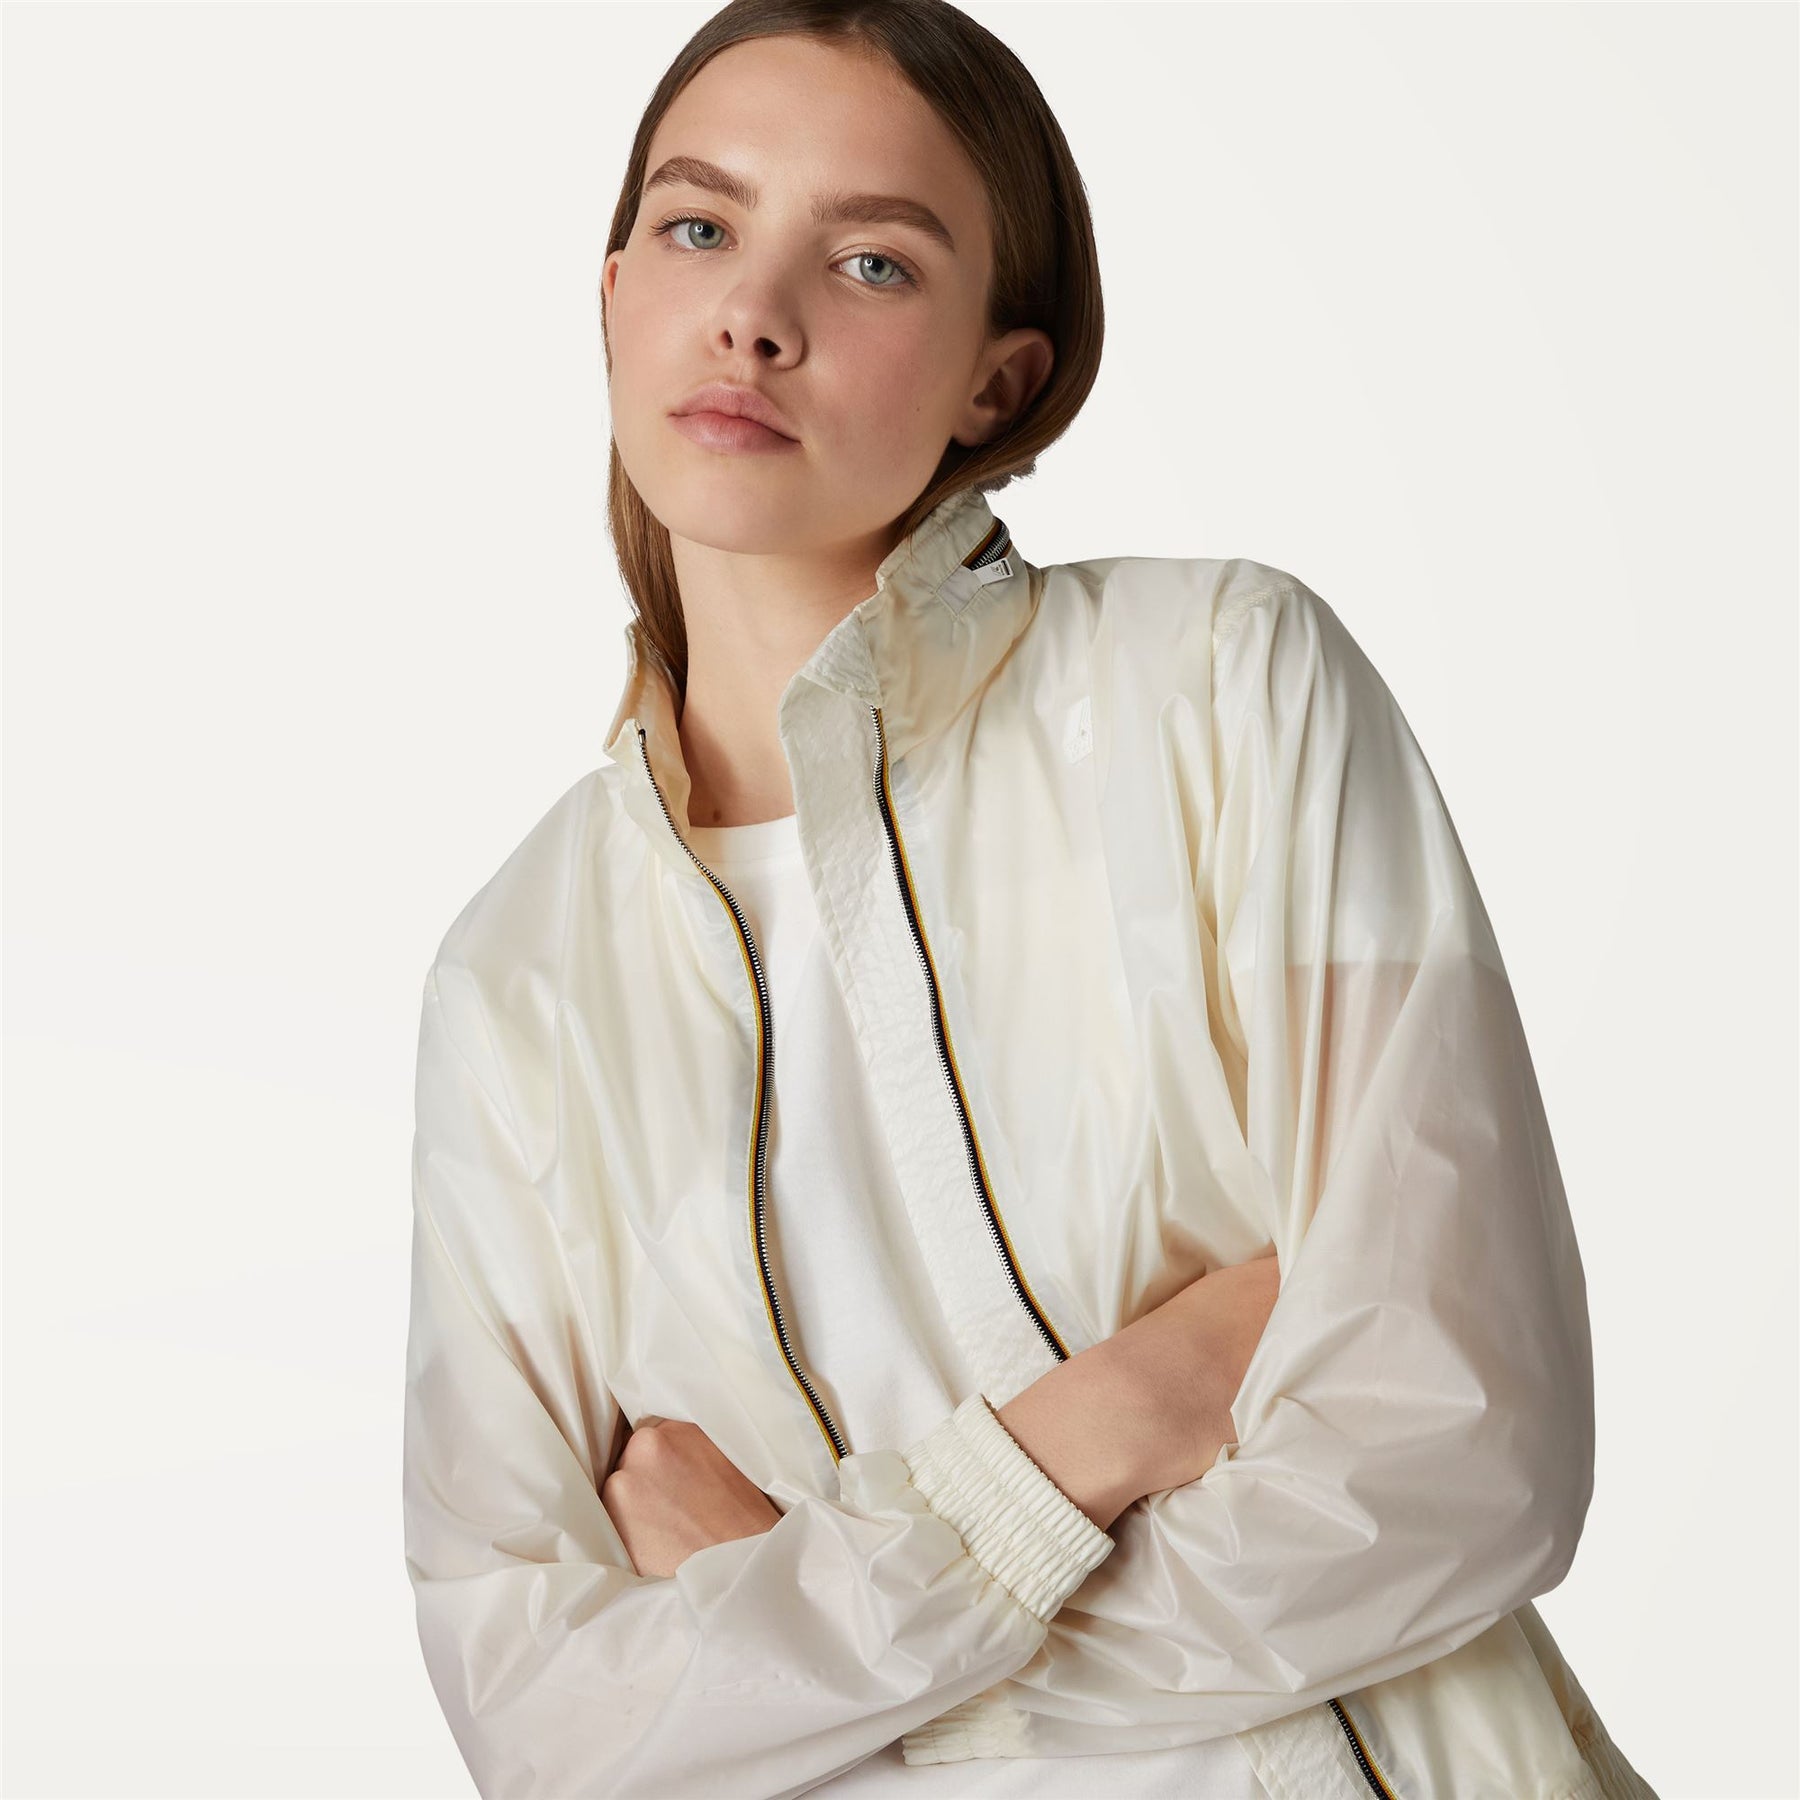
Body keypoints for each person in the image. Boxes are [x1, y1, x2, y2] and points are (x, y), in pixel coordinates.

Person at [402, 3, 1659, 1796]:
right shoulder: (519, 977)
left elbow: (1463, 1454)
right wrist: (1112, 1418)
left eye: (871, 261)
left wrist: (810, 1654)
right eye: (698, 226)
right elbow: (552, 1724)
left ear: (997, 381)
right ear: (611, 297)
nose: (755, 313)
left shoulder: (1227, 688)